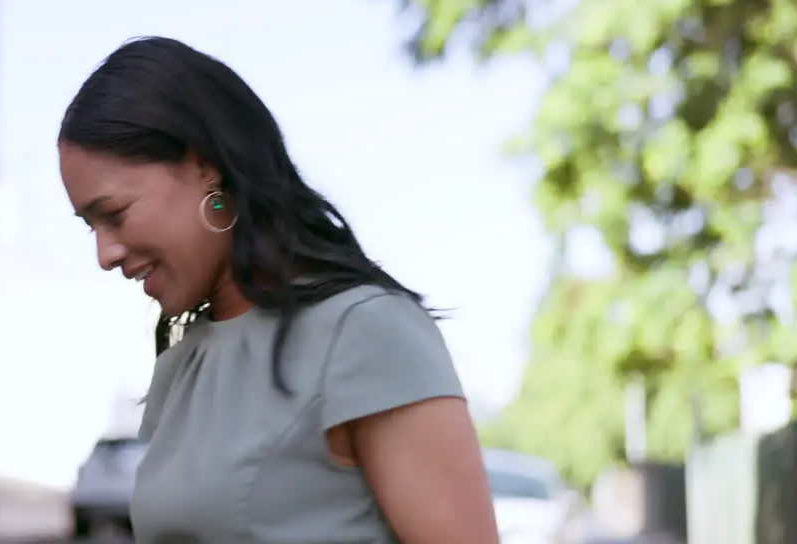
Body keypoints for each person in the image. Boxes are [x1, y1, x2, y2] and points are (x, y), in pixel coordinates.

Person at [57, 36, 499, 544]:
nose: (105, 254)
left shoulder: (365, 333)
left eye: (114, 215)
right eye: (90, 226)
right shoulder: (189, 354)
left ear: (206, 167)